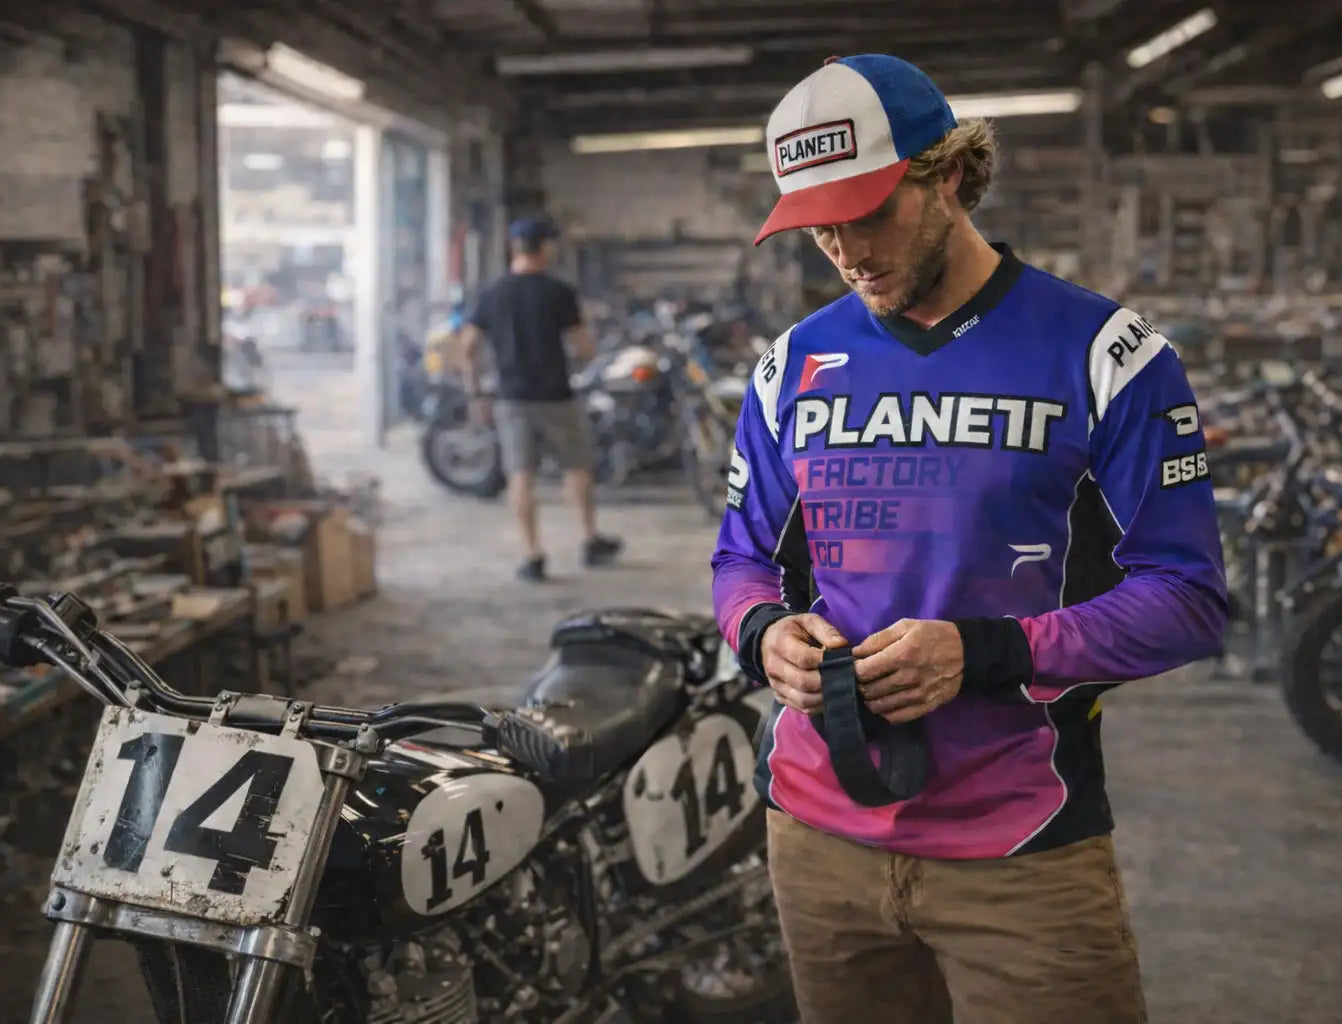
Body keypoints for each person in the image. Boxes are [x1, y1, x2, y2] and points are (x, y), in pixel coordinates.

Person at [711, 55, 1226, 1024]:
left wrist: (989, 650)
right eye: (819, 224)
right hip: (817, 839)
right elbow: (740, 558)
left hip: (1022, 851)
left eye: (870, 211)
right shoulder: (794, 368)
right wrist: (763, 633)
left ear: (948, 174)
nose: (847, 249)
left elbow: (1188, 599)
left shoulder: (1106, 356)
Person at [457, 215, 622, 581]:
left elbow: (467, 346)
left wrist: (475, 392)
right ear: (545, 247)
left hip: (511, 397)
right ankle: (588, 539)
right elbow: (583, 348)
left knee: (521, 475)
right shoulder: (558, 292)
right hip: (556, 394)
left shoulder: (493, 293)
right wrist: (588, 349)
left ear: (515, 248)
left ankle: (533, 555)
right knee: (576, 468)